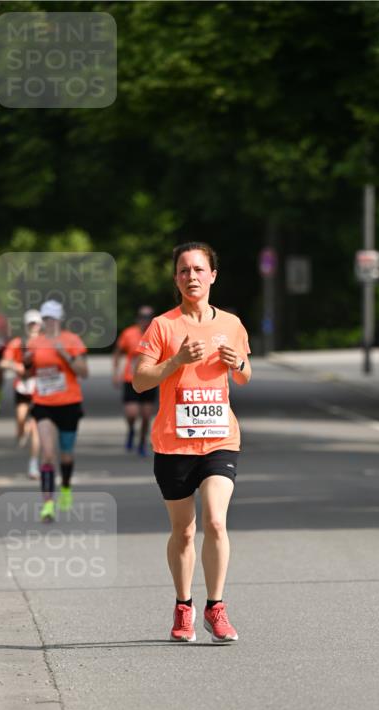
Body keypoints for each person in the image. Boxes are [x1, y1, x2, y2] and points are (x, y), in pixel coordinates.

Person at [134, 242, 251, 643]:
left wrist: (238, 363)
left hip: (220, 439)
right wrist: (176, 361)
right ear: (176, 278)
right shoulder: (163, 326)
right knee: (184, 531)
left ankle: (216, 607)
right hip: (174, 443)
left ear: (212, 275)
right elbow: (140, 380)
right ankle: (183, 606)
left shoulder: (232, 324)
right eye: (184, 270)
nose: (191, 277)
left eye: (199, 269)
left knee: (216, 520)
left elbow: (244, 375)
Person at [6, 300, 88, 521]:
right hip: (43, 404)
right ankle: (48, 504)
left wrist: (65, 355)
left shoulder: (72, 340)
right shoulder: (35, 343)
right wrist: (27, 363)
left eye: (52, 318)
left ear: (60, 319)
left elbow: (84, 372)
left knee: (66, 455)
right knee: (48, 454)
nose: (49, 322)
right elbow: (26, 375)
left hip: (69, 404)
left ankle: (66, 487)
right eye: (46, 319)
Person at [0, 309, 42, 479]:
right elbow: (3, 362)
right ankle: (21, 432)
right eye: (31, 323)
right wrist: (15, 366)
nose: (33, 326)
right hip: (23, 387)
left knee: (36, 428)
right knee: (20, 418)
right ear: (26, 325)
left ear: (40, 325)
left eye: (36, 323)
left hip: (40, 389)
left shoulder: (46, 343)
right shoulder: (17, 343)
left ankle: (33, 465)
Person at [112, 305, 157, 456]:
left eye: (148, 317)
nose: (145, 320)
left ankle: (142, 442)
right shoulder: (129, 333)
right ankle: (131, 430)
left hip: (149, 379)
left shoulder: (157, 333)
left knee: (146, 416)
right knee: (131, 413)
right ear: (138, 318)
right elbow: (117, 352)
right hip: (130, 379)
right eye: (142, 317)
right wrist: (115, 373)